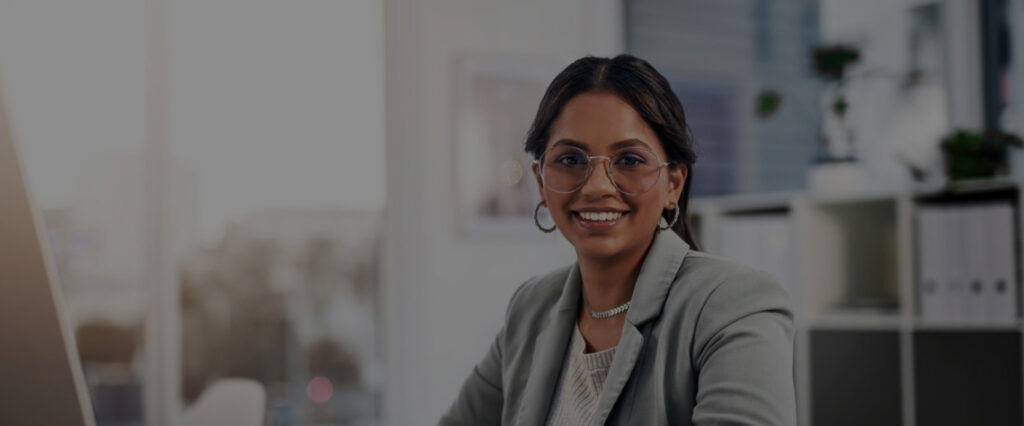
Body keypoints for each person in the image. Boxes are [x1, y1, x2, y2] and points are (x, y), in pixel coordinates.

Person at [438, 54, 796, 426]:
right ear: (541, 181)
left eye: (629, 160)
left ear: (673, 184)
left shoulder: (734, 305)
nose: (596, 187)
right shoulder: (532, 307)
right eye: (571, 159)